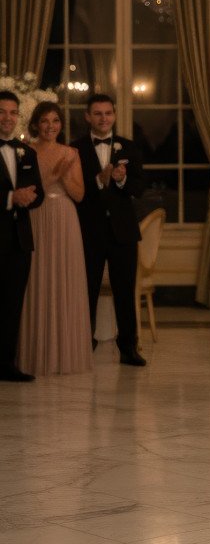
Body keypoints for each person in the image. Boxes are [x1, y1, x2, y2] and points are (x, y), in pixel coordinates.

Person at [18, 102, 92, 377]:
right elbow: (31, 191)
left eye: (56, 121)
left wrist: (66, 176)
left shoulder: (71, 153)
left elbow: (80, 195)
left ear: (61, 124)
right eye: (45, 121)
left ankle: (64, 353)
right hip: (35, 216)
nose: (51, 126)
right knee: (35, 278)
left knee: (64, 278)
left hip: (64, 217)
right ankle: (33, 354)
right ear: (36, 124)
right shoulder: (25, 151)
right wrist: (55, 174)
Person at [73, 93, 147, 367]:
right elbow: (74, 191)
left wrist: (122, 180)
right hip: (88, 231)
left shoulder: (129, 147)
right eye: (97, 113)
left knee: (125, 290)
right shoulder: (75, 149)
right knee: (86, 291)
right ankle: (83, 345)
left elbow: (139, 188)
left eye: (108, 113)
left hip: (122, 232)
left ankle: (128, 348)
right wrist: (99, 180)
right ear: (87, 117)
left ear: (114, 115)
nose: (103, 118)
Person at [0, 91, 44, 382]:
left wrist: (30, 197)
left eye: (13, 112)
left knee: (12, 304)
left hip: (19, 240)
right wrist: (10, 198)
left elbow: (38, 192)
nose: (8, 118)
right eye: (2, 112)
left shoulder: (27, 152)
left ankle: (6, 365)